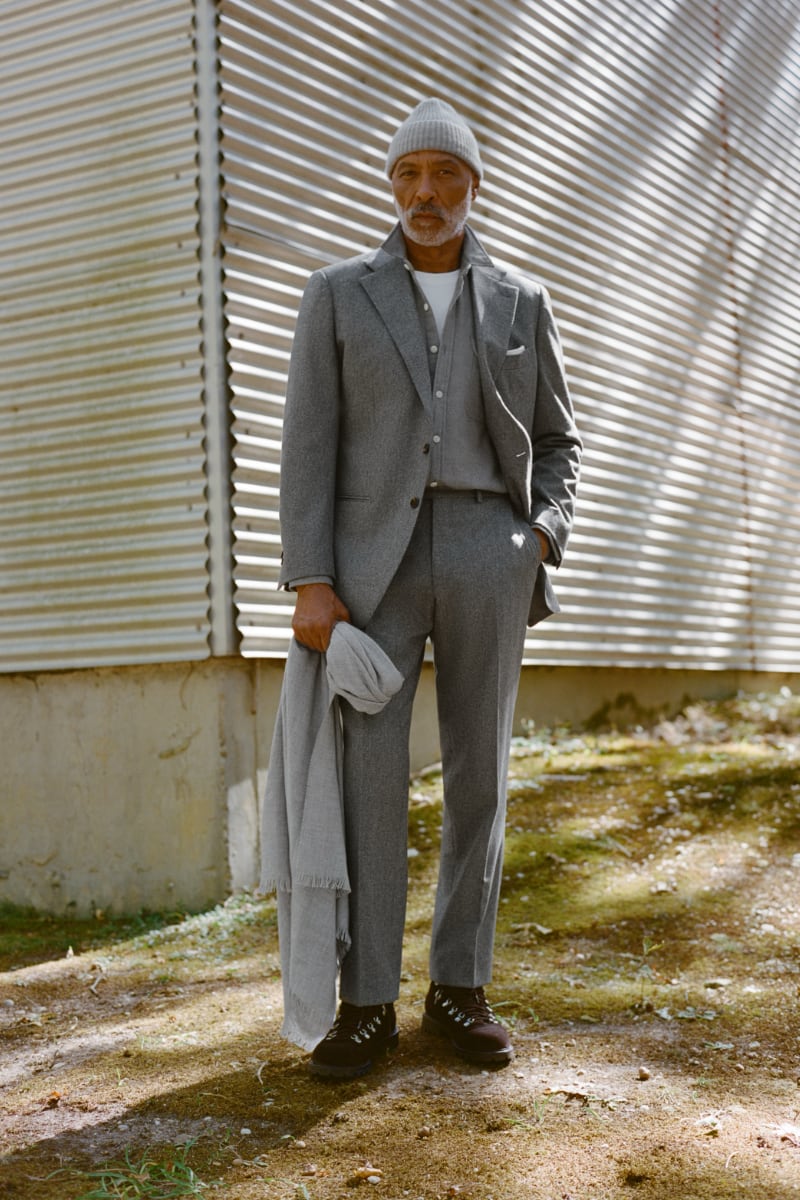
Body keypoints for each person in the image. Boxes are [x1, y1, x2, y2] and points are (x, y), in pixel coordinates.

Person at [277, 97, 582, 1078]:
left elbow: (559, 442)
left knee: (478, 777)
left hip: (491, 550)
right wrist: (311, 579)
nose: (425, 191)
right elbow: (307, 446)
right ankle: (366, 1003)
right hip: (377, 564)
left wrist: (538, 537)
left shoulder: (522, 300)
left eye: (444, 173)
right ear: (391, 186)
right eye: (408, 173)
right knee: (370, 781)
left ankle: (459, 989)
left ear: (472, 186)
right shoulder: (337, 294)